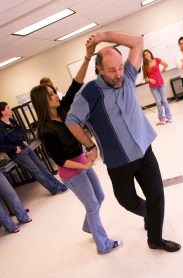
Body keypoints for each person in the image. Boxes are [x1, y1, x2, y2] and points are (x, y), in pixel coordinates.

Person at [65, 31, 181, 252]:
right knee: (127, 201)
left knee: (157, 194)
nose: (118, 73)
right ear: (99, 69)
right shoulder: (90, 92)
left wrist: (104, 36)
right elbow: (71, 121)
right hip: (118, 161)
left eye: (120, 67)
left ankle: (155, 238)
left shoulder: (128, 74)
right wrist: (89, 145)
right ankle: (149, 212)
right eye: (112, 70)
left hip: (144, 150)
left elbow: (138, 42)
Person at [30, 44, 122, 255]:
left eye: (54, 92)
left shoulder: (63, 110)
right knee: (92, 206)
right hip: (72, 172)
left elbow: (75, 84)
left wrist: (88, 58)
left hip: (82, 162)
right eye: (51, 94)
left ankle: (88, 226)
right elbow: (60, 161)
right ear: (42, 101)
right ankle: (104, 245)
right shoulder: (45, 130)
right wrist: (86, 163)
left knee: (99, 197)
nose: (55, 95)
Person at [0, 102, 68, 195]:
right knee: (36, 171)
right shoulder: (0, 127)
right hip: (18, 153)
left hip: (25, 148)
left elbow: (20, 131)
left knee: (42, 167)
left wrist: (23, 139)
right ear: (3, 112)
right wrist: (14, 148)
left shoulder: (12, 121)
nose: (10, 108)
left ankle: (58, 184)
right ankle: (55, 189)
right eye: (8, 107)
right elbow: (1, 145)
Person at [142, 49, 173, 125]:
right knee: (158, 102)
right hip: (152, 87)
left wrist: (161, 72)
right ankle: (161, 118)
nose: (146, 56)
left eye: (147, 54)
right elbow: (145, 78)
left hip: (160, 83)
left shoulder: (157, 60)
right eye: (145, 55)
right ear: (144, 57)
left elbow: (166, 65)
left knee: (165, 101)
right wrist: (149, 79)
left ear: (150, 54)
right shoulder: (144, 66)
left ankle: (169, 116)